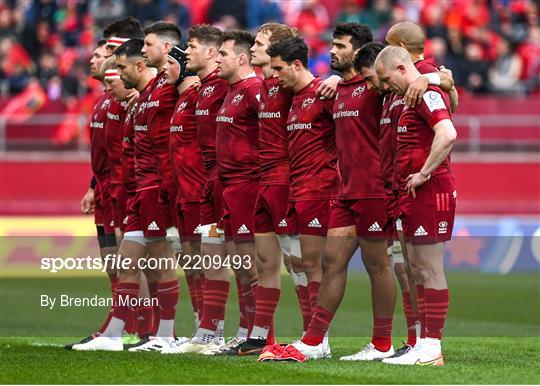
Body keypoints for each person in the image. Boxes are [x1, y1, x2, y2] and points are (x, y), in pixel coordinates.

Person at [286, 22, 397, 362]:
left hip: (375, 191)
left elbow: (417, 74)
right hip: (346, 193)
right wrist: (335, 79)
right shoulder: (336, 90)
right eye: (332, 44)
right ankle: (314, 339)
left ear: (360, 51)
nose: (332, 51)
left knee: (378, 265)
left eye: (340, 45)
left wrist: (434, 77)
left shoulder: (379, 87)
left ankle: (382, 344)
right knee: (331, 262)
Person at [74, 38, 178, 352]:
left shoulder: (163, 88)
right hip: (138, 191)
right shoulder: (142, 96)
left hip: (157, 190)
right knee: (127, 262)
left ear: (138, 66)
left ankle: (165, 335)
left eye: (121, 67)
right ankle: (116, 333)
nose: (116, 74)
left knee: (161, 263)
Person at [375, 45, 457, 366]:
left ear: (400, 68)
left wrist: (425, 172)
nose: (384, 86)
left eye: (386, 79)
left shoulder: (425, 92)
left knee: (428, 268)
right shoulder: (408, 95)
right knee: (416, 269)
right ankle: (424, 344)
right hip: (411, 193)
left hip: (431, 190)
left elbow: (447, 132)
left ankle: (432, 347)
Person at [266, 35, 338, 360]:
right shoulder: (294, 97)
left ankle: (317, 340)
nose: (275, 76)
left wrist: (337, 79)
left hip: (321, 190)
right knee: (303, 264)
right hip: (299, 190)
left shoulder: (324, 93)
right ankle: (313, 337)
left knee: (314, 264)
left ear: (297, 64)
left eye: (279, 69)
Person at [170, 25, 230, 355]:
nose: (188, 51)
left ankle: (249, 334)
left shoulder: (225, 85)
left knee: (245, 262)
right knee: (205, 260)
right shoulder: (200, 91)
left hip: (224, 185)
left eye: (191, 47)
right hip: (205, 186)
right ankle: (209, 331)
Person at [212, 30, 262, 355]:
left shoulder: (254, 88)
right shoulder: (232, 90)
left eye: (223, 55)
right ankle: (246, 330)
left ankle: (259, 333)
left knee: (251, 263)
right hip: (229, 186)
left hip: (248, 185)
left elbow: (277, 126)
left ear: (241, 59)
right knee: (238, 262)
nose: (217, 60)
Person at [161, 44, 203, 339]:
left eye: (169, 62)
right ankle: (203, 328)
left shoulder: (198, 96)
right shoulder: (180, 99)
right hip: (183, 195)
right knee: (190, 265)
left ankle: (215, 331)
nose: (163, 69)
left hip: (200, 195)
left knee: (207, 266)